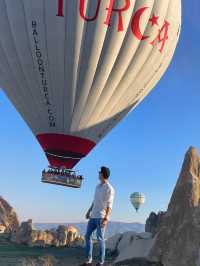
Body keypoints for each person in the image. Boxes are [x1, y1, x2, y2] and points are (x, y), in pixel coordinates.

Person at [80, 166, 115, 266]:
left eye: (100, 172)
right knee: (87, 236)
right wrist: (88, 211)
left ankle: (101, 262)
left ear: (103, 174)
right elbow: (94, 201)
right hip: (93, 216)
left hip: (101, 217)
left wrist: (106, 219)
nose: (98, 173)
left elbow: (110, 205)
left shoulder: (110, 189)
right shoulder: (97, 186)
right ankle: (89, 260)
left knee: (100, 238)